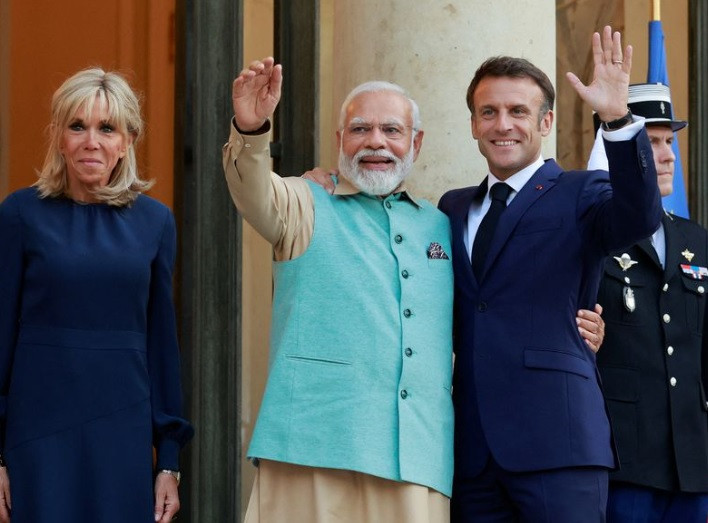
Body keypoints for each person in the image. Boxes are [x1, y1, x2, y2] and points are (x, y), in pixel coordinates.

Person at [437, 27, 663, 521]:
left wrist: (617, 120)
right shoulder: (451, 208)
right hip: (472, 454)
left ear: (546, 121)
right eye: (489, 112)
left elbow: (639, 216)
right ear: (473, 124)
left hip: (558, 443)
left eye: (518, 111)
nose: (503, 125)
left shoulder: (581, 193)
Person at [223, 58, 454, 522]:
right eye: (360, 129)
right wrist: (251, 132)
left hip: (417, 456)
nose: (375, 142)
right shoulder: (305, 201)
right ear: (339, 141)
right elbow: (254, 193)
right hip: (311, 448)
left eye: (392, 129)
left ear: (416, 142)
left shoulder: (442, 226)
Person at [0, 68, 194, 523]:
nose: (92, 141)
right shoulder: (18, 214)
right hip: (38, 433)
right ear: (58, 137)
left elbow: (162, 346)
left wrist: (168, 459)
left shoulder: (156, 223)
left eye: (107, 128)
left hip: (121, 434)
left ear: (127, 140)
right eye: (77, 126)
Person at [586, 83, 708, 522]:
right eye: (651, 142)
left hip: (692, 465)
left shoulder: (697, 239)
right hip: (624, 462)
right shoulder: (590, 234)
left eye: (669, 141)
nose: (668, 154)